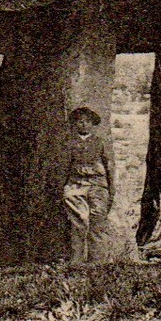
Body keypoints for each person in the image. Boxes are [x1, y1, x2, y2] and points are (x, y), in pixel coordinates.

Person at [62, 106, 113, 264]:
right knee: (79, 222)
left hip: (97, 185)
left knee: (97, 223)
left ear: (93, 124)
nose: (83, 124)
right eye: (79, 121)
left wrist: (111, 189)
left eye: (87, 121)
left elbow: (109, 165)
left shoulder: (100, 142)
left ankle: (97, 263)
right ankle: (76, 263)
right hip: (76, 185)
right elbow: (64, 167)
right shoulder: (69, 143)